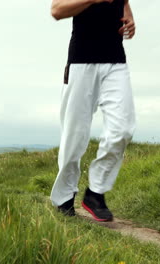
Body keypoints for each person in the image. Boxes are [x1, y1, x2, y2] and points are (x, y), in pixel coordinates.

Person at [49, 0, 136, 222]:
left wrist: (129, 17)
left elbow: (123, 2)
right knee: (74, 136)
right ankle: (65, 197)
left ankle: (95, 192)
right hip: (81, 62)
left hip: (116, 62)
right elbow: (57, 10)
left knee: (122, 129)